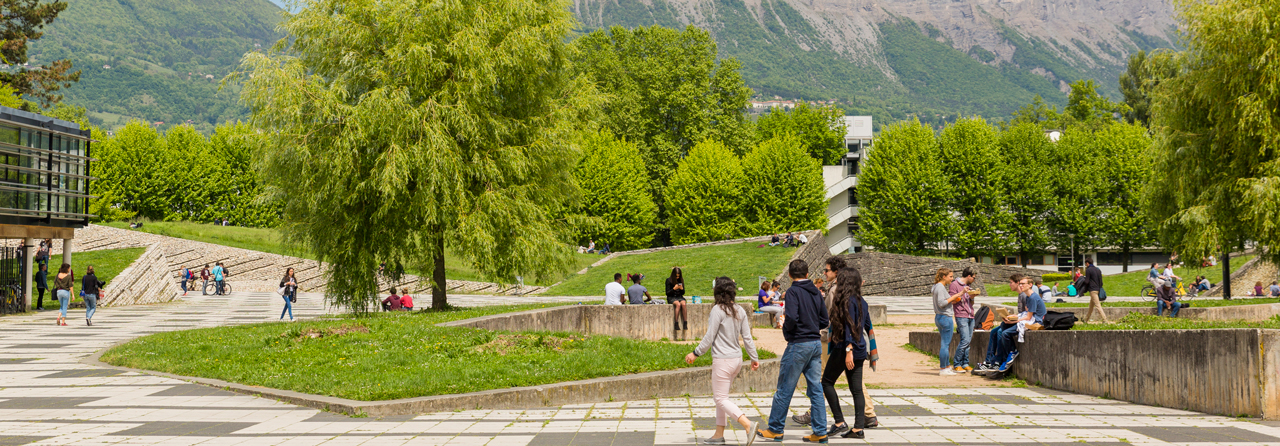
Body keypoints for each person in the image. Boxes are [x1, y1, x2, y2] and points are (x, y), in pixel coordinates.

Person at [758, 259, 829, 443]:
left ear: (789, 275)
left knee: (784, 388)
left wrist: (786, 331)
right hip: (814, 342)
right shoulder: (816, 291)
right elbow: (824, 319)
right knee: (815, 388)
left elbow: (792, 317)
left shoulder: (792, 292)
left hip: (798, 343)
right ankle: (821, 431)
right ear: (807, 274)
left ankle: (775, 429)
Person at [686, 277, 760, 445]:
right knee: (722, 397)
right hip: (737, 360)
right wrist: (754, 358)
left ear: (717, 292)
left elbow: (709, 337)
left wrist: (695, 353)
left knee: (720, 399)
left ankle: (747, 424)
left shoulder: (717, 310)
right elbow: (747, 338)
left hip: (723, 360)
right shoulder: (739, 310)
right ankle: (718, 435)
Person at [820, 267, 874, 439]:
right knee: (856, 389)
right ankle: (858, 428)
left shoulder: (847, 301)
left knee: (827, 382)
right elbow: (866, 327)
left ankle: (839, 421)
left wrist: (848, 349)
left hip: (845, 348)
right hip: (859, 349)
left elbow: (850, 326)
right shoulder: (861, 301)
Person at [991, 276, 1047, 372]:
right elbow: (1026, 314)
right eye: (1020, 284)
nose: (1020, 286)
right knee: (1003, 327)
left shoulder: (1033, 297)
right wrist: (1013, 317)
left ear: (1030, 285)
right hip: (1030, 319)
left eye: (1023, 284)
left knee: (1005, 333)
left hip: (1034, 322)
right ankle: (1002, 358)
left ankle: (1012, 352)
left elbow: (1029, 317)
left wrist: (1013, 321)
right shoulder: (1029, 297)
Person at [977, 274, 1025, 372]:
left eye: (1011, 282)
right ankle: (989, 361)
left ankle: (998, 360)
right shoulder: (1021, 295)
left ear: (1017, 283)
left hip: (1022, 322)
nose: (1009, 285)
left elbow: (1028, 315)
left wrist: (1014, 318)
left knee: (1000, 332)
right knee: (994, 331)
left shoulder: (1024, 295)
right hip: (1018, 320)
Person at [932, 268, 965, 375]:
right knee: (945, 344)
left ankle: (946, 366)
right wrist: (956, 295)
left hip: (939, 317)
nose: (952, 278)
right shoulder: (940, 288)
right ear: (944, 277)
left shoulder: (936, 287)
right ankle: (943, 368)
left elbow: (943, 302)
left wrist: (954, 298)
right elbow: (942, 303)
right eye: (950, 276)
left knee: (945, 343)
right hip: (945, 317)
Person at [949, 267, 980, 373]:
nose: (974, 280)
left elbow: (971, 303)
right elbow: (952, 300)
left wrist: (972, 297)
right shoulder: (954, 284)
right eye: (974, 278)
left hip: (971, 315)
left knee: (968, 341)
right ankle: (957, 364)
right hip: (961, 315)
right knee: (965, 340)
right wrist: (962, 292)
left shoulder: (969, 286)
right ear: (969, 276)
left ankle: (965, 363)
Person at [1080, 259, 1108, 324]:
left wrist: (1082, 280)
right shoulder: (1098, 270)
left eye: (1085, 264)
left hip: (1092, 290)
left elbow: (1087, 281)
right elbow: (1101, 282)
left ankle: (1105, 320)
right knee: (1091, 306)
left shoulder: (1088, 270)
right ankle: (1085, 319)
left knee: (1098, 305)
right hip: (1097, 289)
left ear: (1087, 263)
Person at [665, 268, 688, 339]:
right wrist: (674, 289)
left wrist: (681, 289)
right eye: (676, 276)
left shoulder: (681, 280)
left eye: (678, 276)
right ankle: (676, 323)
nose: (677, 277)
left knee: (683, 304)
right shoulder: (668, 280)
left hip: (679, 296)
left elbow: (683, 292)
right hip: (671, 297)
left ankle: (685, 322)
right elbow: (667, 293)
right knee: (678, 304)